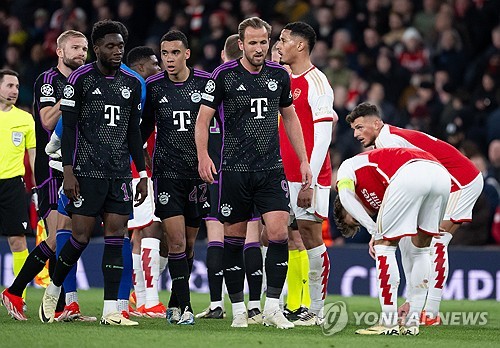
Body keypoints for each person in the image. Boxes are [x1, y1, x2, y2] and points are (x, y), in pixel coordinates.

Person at [195, 17, 312, 329]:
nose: (259, 49)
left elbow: (290, 117)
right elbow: (203, 119)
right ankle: (238, 310)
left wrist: (303, 160)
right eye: (253, 43)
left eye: (264, 42)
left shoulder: (279, 76)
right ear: (241, 43)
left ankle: (272, 308)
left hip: (270, 169)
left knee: (278, 233)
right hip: (233, 170)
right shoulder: (223, 75)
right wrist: (203, 156)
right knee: (233, 240)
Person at [39, 20, 148, 327]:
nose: (117, 51)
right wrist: (69, 172)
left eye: (121, 46)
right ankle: (55, 286)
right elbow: (69, 128)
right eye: (110, 46)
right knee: (80, 238)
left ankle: (111, 311)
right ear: (97, 48)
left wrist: (140, 173)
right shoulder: (80, 79)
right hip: (85, 172)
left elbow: (132, 133)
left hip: (118, 174)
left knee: (116, 235)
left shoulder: (131, 83)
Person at [345, 102, 483, 325]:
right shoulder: (387, 139)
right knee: (413, 244)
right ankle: (415, 304)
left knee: (435, 242)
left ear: (377, 123)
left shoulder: (388, 141)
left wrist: (378, 231)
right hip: (443, 181)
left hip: (460, 181)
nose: (356, 134)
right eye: (354, 129)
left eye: (360, 127)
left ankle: (430, 312)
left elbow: (416, 174)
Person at [2, 30, 92, 322]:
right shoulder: (48, 80)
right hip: (51, 169)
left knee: (71, 236)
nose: (81, 53)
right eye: (75, 47)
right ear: (60, 51)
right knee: (57, 237)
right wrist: (71, 97)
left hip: (77, 166)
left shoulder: (85, 80)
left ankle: (67, 305)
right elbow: (47, 120)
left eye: (85, 48)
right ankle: (16, 292)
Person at [334, 147, 450, 336]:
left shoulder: (347, 169)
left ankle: (388, 323)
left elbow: (347, 198)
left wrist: (374, 231)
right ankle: (412, 323)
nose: (361, 216)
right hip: (440, 175)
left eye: (354, 218)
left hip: (412, 172)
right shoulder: (381, 190)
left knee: (384, 248)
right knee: (421, 249)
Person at [140, 30, 212, 325]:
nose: (169, 59)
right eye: (165, 53)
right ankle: (187, 310)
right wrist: (143, 168)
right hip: (167, 174)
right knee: (177, 243)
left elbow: (216, 126)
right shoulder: (153, 86)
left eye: (174, 53)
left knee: (190, 245)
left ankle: (173, 302)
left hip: (196, 176)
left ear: (186, 54)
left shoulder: (205, 83)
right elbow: (142, 131)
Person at [196, 33, 265, 323]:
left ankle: (216, 304)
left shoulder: (208, 87)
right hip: (248, 166)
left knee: (217, 236)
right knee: (251, 237)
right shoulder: (248, 84)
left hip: (215, 169)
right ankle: (254, 306)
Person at [276, 21, 336, 325]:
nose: (279, 45)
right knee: (282, 237)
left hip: (307, 176)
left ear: (300, 45)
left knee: (312, 238)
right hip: (282, 172)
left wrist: (309, 179)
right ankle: (287, 303)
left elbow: (324, 136)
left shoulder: (318, 83)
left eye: (284, 40)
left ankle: (317, 310)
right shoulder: (285, 79)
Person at [121, 46, 166, 319]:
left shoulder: (139, 89)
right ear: (140, 68)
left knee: (138, 232)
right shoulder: (138, 88)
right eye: (154, 64)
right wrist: (142, 163)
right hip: (140, 172)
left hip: (140, 170)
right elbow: (134, 133)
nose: (159, 69)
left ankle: (139, 297)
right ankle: (149, 300)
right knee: (150, 230)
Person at [0, 69, 35, 320]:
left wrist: (37, 188)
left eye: (17, 86)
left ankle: (17, 296)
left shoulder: (25, 119)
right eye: (10, 85)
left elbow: (33, 156)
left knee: (18, 241)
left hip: (13, 186)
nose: (14, 90)